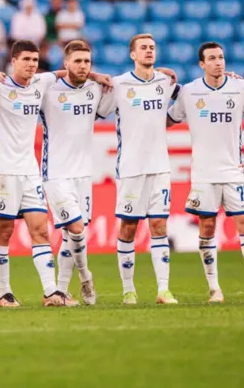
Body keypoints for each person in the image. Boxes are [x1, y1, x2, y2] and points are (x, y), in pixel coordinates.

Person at [167, 42, 244, 304]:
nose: (219, 62)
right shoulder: (190, 91)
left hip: (234, 171)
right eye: (212, 58)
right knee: (207, 226)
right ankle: (215, 290)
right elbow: (167, 120)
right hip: (204, 174)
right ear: (202, 64)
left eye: (221, 57)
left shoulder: (241, 87)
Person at [95, 33, 179, 305]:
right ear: (133, 54)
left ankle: (163, 289)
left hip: (160, 167)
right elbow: (99, 112)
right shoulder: (119, 84)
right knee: (128, 227)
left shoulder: (165, 81)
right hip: (130, 168)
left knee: (159, 225)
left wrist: (228, 79)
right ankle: (128, 289)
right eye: (143, 48)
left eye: (152, 47)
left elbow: (192, 95)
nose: (149, 51)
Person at [0, 40, 67, 307]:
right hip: (3, 172)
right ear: (13, 61)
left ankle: (50, 292)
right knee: (4, 231)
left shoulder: (40, 83)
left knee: (41, 230)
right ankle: (4, 292)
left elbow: (64, 73)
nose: (32, 64)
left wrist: (97, 76)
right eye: (26, 60)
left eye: (35, 60)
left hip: (30, 171)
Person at [40, 40, 100, 305]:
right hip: (55, 173)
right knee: (75, 227)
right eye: (77, 61)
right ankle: (86, 276)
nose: (83, 66)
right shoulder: (48, 90)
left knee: (71, 235)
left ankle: (62, 293)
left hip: (83, 174)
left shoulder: (95, 89)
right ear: (65, 64)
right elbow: (22, 83)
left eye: (87, 62)